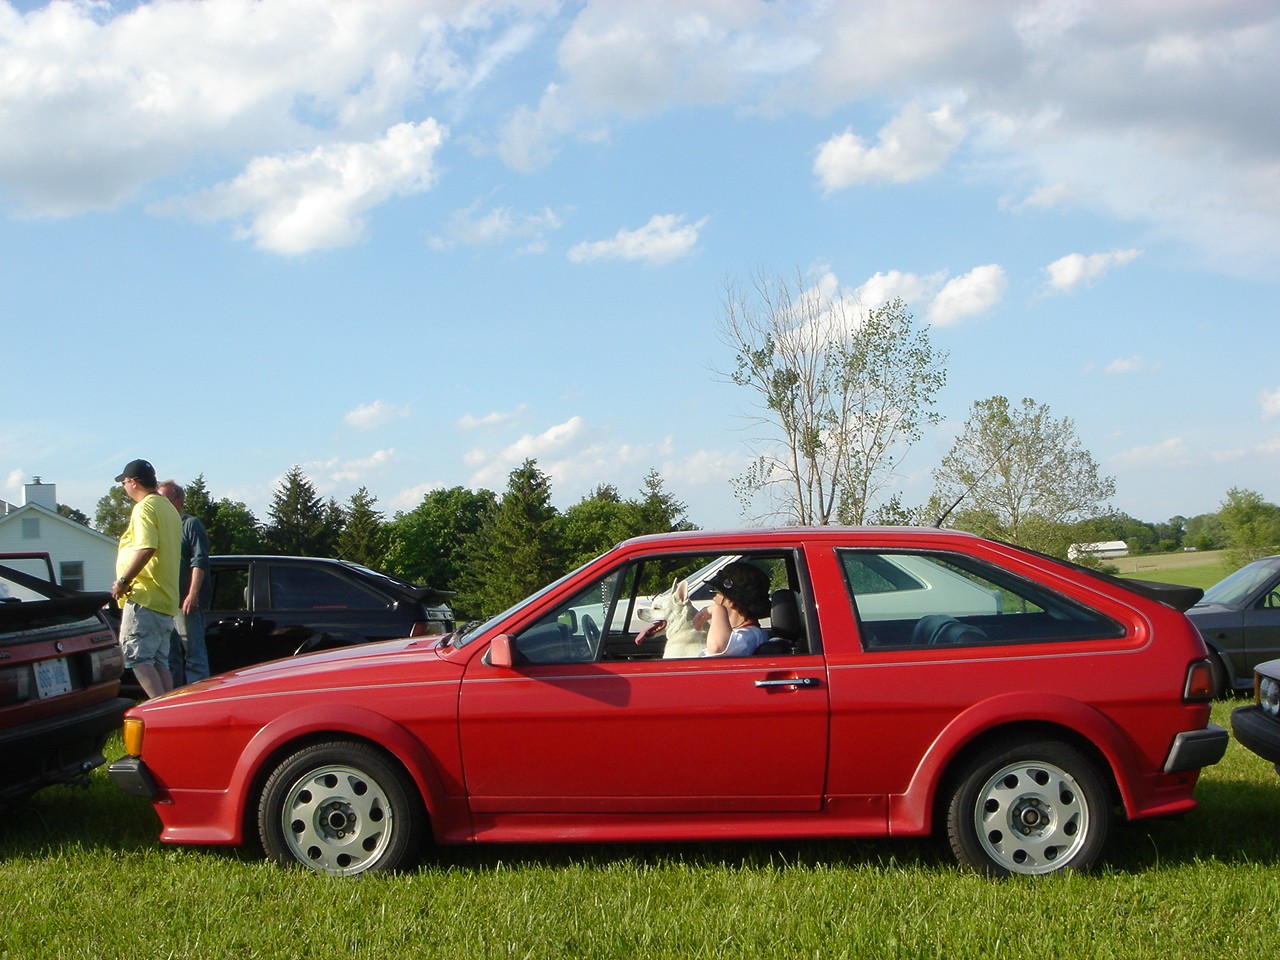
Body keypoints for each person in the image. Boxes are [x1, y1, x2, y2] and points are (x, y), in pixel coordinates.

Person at [110, 459, 182, 698]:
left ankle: (159, 710)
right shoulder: (167, 507)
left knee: (137, 657)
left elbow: (147, 547)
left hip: (145, 596)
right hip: (165, 598)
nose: (124, 487)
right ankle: (169, 709)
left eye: (124, 482)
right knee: (159, 661)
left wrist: (123, 581)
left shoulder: (144, 508)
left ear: (133, 482)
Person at [158, 479, 212, 686]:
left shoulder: (190, 524)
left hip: (186, 602)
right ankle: (175, 696)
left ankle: (199, 695)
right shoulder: (162, 527)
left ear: (178, 500)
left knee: (194, 654)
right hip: (166, 602)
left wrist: (192, 594)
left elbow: (200, 561)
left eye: (164, 499)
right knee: (170, 656)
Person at [693, 561, 771, 657]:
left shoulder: (750, 635)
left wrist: (717, 610)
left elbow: (717, 648)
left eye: (714, 592)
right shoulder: (749, 634)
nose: (714, 598)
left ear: (730, 600)